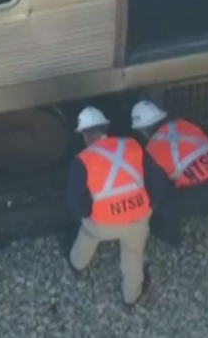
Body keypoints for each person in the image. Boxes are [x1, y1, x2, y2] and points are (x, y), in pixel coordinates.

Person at [65, 106, 168, 308]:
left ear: (85, 135)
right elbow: (157, 176)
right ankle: (131, 297)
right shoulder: (132, 145)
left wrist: (85, 214)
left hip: (103, 222)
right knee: (133, 253)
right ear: (105, 127)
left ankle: (76, 265)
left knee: (88, 234)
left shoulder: (83, 160)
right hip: (138, 216)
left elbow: (74, 198)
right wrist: (152, 202)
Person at [130, 100, 208, 248]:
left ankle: (173, 240)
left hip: (203, 190)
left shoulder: (152, 149)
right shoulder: (185, 123)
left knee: (165, 206)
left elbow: (158, 192)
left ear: (143, 131)